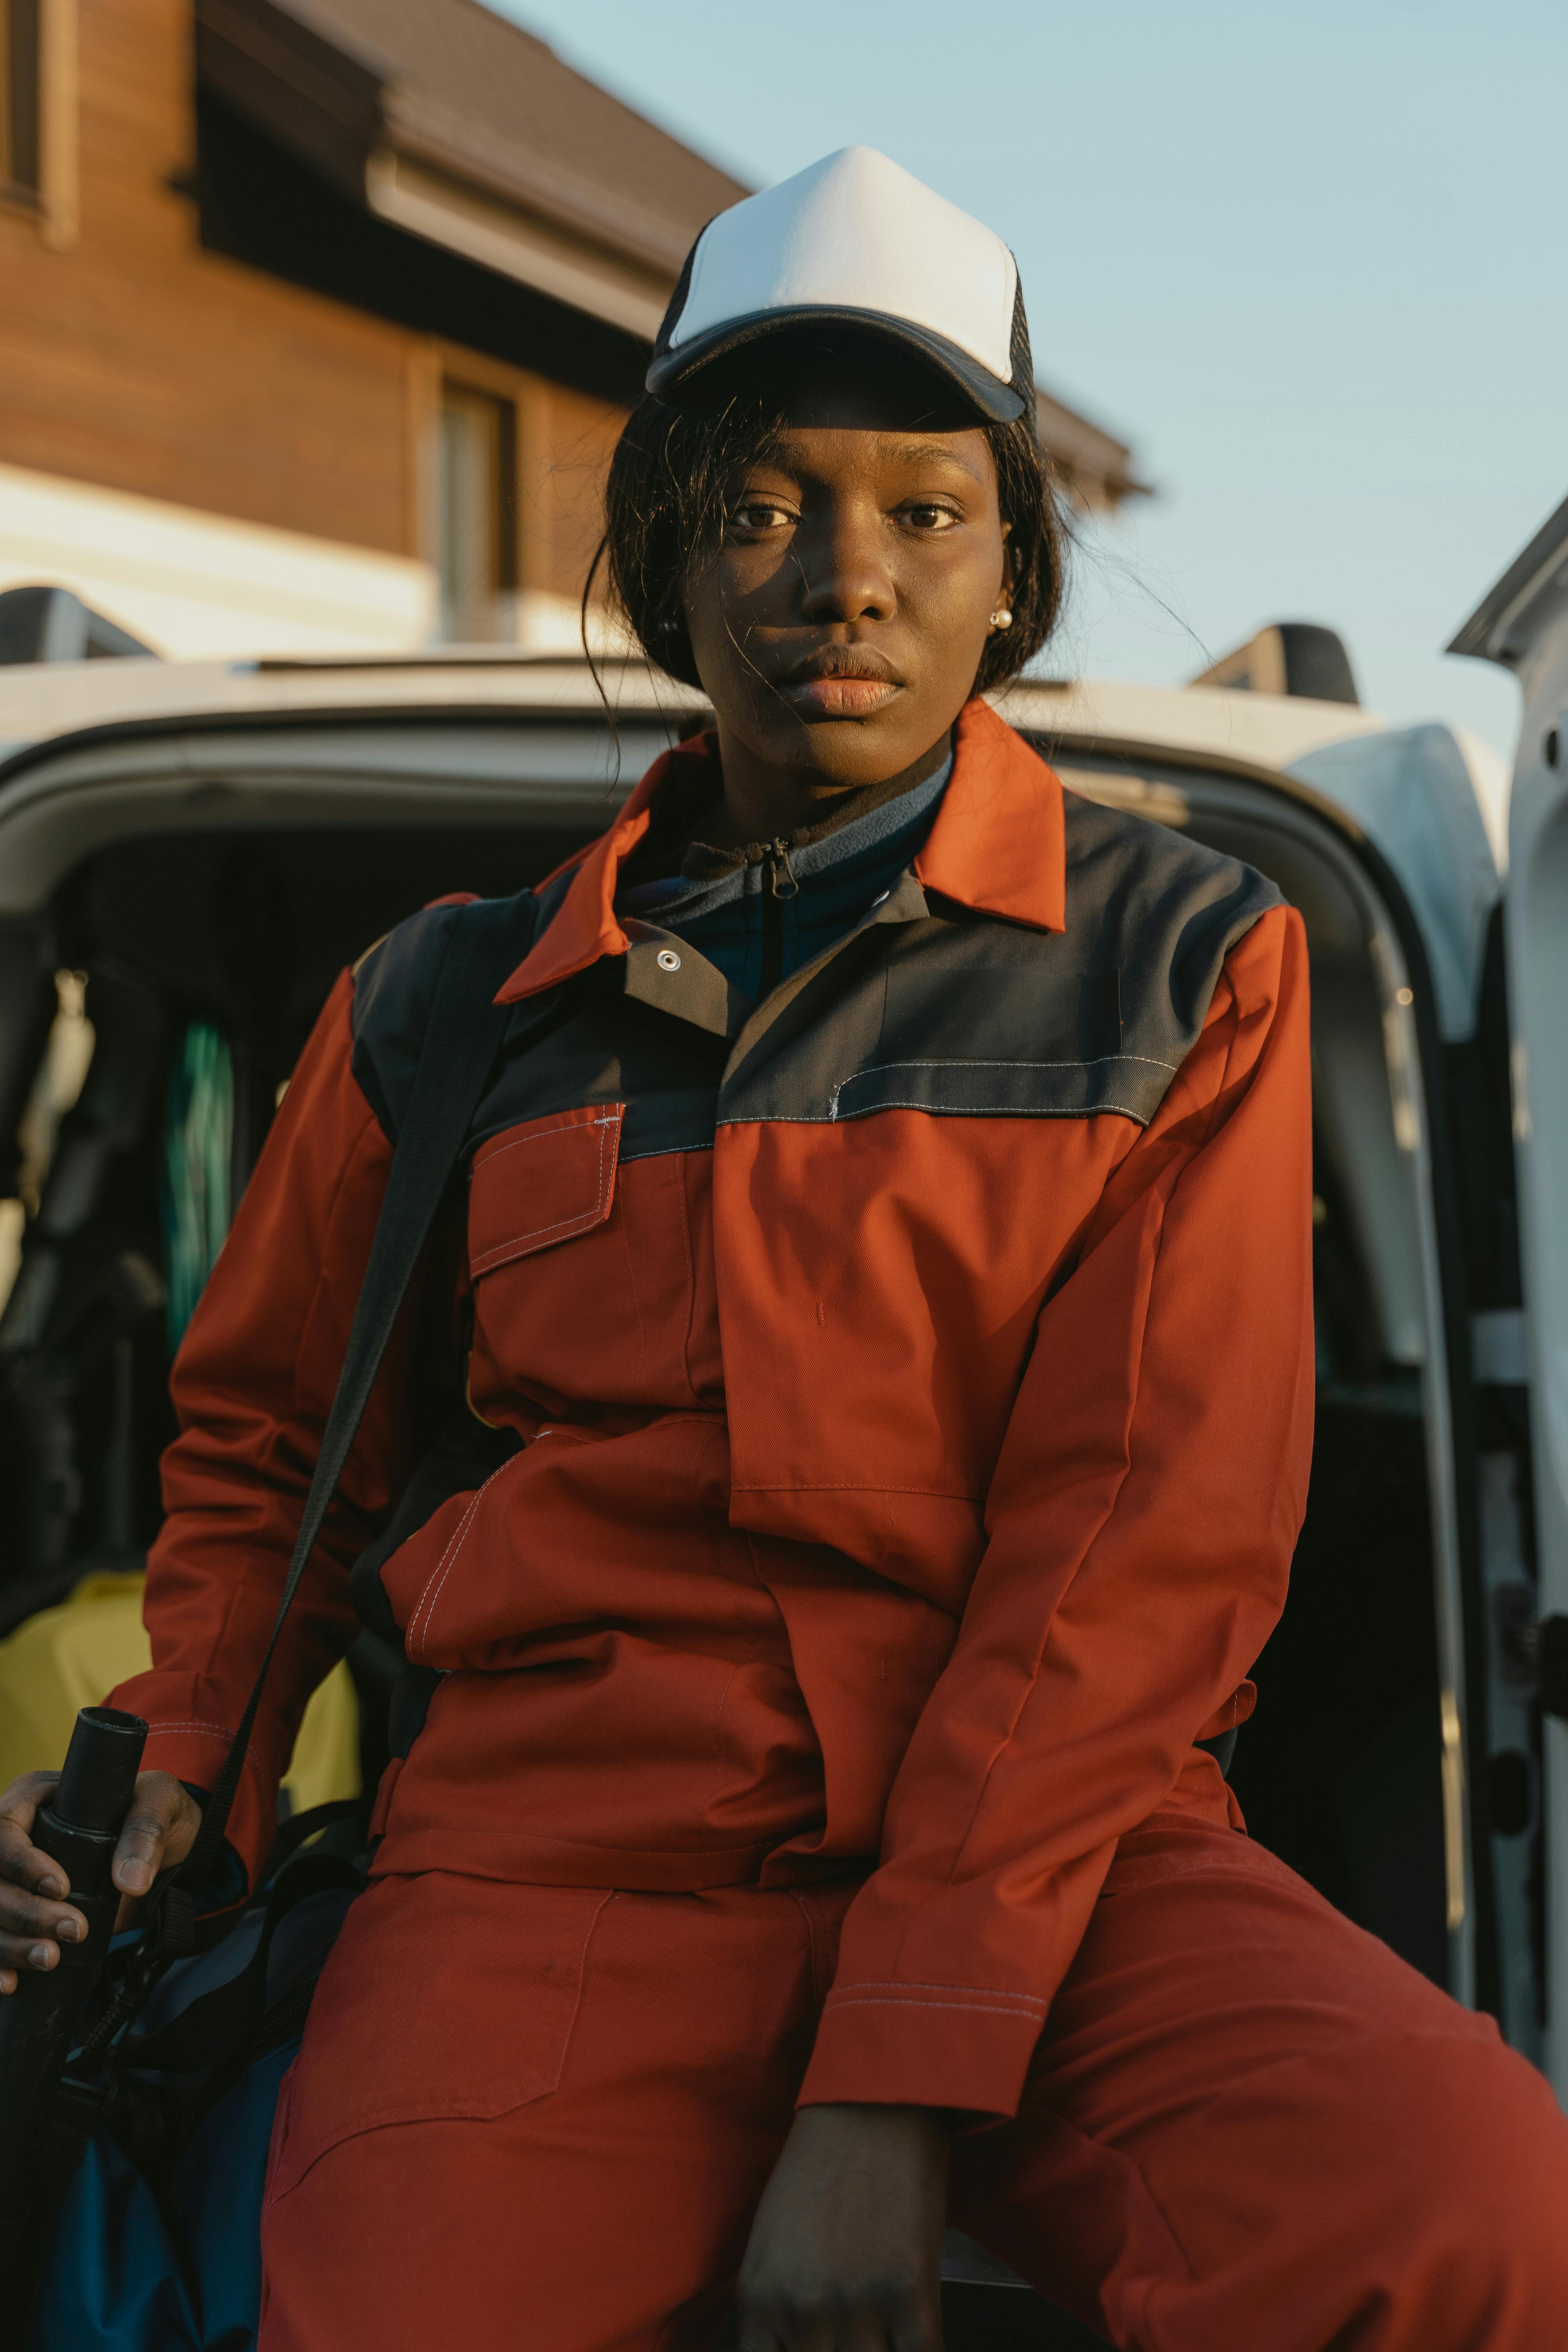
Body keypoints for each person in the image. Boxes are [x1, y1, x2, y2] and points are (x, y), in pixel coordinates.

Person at [2, 147, 1566, 2352]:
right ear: (665, 561)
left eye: (925, 511)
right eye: (760, 508)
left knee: (1474, 2215)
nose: (844, 577)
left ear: (1011, 567)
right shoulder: (439, 1008)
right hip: (549, 1876)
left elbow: (1139, 1543)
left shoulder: (1184, 960)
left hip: (1065, 1858)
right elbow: (265, 1463)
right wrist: (161, 1788)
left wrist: (895, 2078)